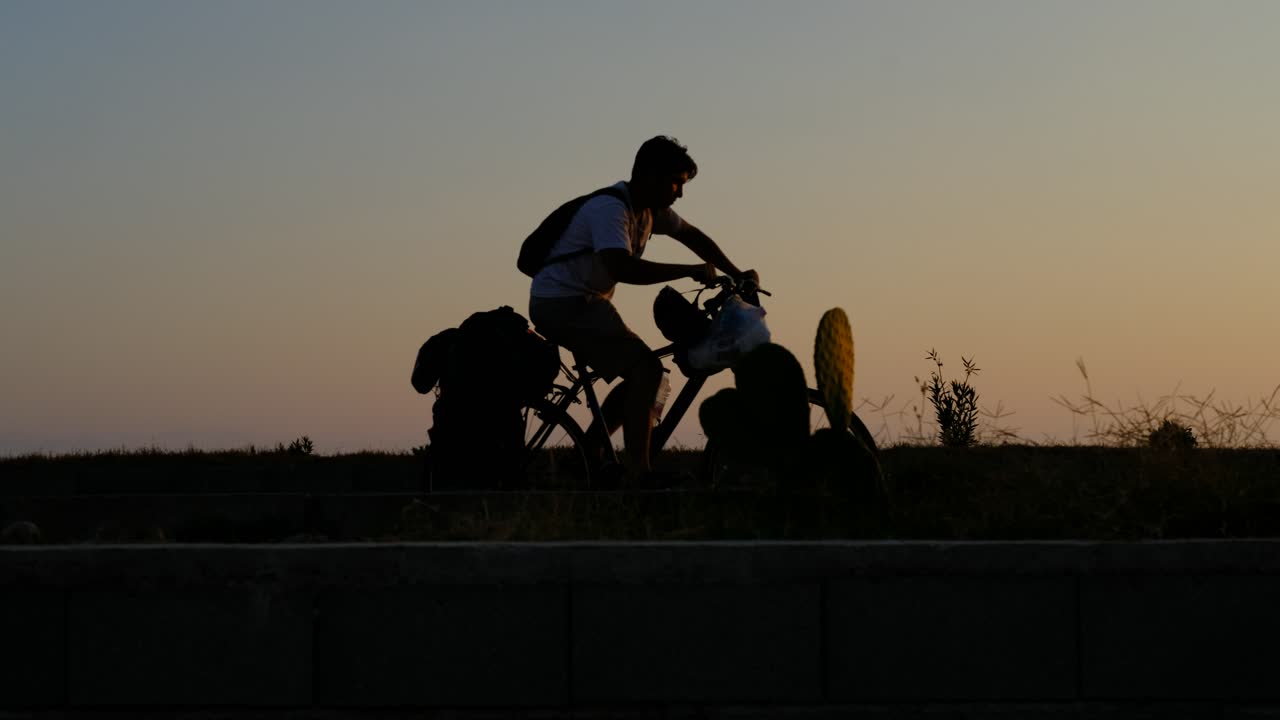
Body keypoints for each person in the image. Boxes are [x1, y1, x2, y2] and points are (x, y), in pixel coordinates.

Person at [528, 136, 759, 484]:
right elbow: (622, 268)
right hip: (562, 302)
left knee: (648, 375)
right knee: (646, 371)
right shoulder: (611, 210)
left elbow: (694, 236)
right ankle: (639, 474)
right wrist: (687, 270)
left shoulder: (650, 212)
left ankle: (590, 451)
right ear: (649, 176)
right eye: (676, 183)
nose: (680, 192)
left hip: (587, 302)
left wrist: (736, 272)